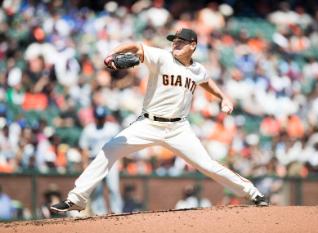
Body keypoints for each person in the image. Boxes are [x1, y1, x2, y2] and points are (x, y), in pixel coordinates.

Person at [50, 28, 268, 213]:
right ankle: (77, 199)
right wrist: (111, 54)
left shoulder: (197, 69)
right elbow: (136, 46)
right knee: (110, 149)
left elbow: (207, 81)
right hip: (148, 124)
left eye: (181, 42)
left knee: (208, 165)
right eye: (174, 41)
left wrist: (223, 97)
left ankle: (253, 193)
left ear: (193, 45)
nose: (176, 44)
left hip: (179, 129)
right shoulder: (162, 57)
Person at [78, 106, 123, 214]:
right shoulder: (89, 129)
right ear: (95, 117)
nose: (100, 119)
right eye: (98, 117)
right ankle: (99, 213)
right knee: (97, 190)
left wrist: (120, 160)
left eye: (102, 117)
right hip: (95, 161)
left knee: (114, 188)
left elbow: (120, 145)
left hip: (110, 160)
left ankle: (117, 211)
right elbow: (84, 147)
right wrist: (84, 164)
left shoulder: (112, 127)